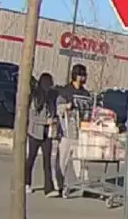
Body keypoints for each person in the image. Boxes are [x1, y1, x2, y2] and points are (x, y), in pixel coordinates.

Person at [54, 64, 92, 197]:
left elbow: (89, 112)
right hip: (66, 133)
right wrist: (66, 106)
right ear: (75, 75)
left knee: (81, 162)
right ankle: (59, 186)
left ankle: (85, 186)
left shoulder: (86, 94)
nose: (84, 78)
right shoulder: (66, 91)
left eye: (85, 75)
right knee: (62, 161)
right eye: (82, 75)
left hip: (81, 134)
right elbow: (58, 107)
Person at [25, 73, 58, 197]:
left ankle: (48, 188)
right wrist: (45, 121)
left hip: (47, 134)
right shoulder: (36, 98)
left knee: (47, 161)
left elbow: (52, 112)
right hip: (35, 133)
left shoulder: (51, 98)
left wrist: (53, 120)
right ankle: (27, 183)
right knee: (31, 158)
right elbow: (33, 117)